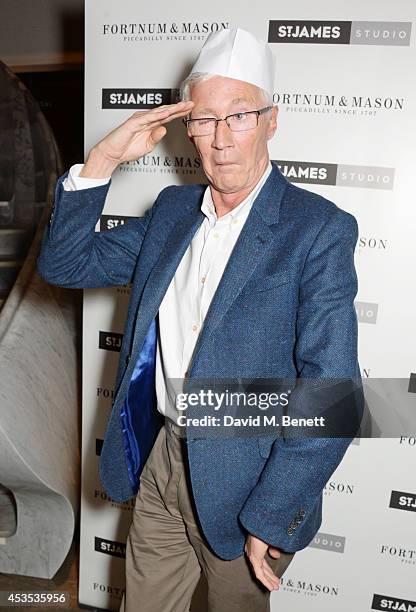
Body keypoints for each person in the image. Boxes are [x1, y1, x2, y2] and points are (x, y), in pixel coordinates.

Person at [37, 27, 363, 612]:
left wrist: (272, 514)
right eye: (205, 120)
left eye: (239, 116)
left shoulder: (317, 229)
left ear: (271, 120)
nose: (220, 139)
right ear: (188, 128)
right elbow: (66, 265)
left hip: (249, 479)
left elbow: (332, 390)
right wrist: (103, 159)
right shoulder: (171, 210)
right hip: (162, 460)